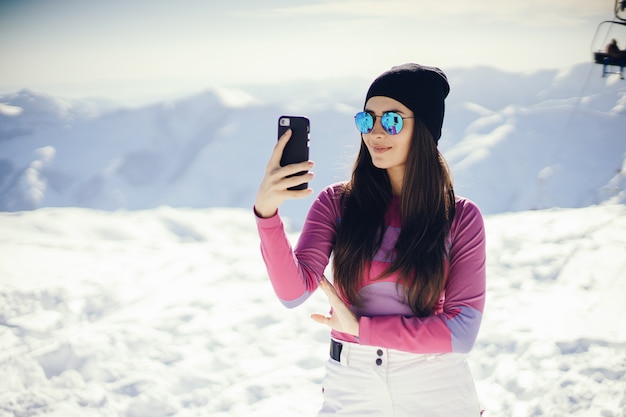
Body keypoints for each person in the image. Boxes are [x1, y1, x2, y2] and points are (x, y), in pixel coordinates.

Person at [254, 63, 486, 416]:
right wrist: (267, 214)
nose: (375, 132)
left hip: (435, 385)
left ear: (423, 129)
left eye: (391, 120)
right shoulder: (337, 203)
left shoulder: (460, 218)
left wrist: (362, 329)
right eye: (367, 120)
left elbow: (461, 332)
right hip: (352, 381)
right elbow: (292, 293)